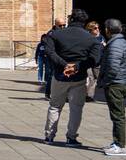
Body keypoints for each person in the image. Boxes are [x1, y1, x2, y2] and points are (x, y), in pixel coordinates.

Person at [42, 8, 102, 145]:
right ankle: (71, 137)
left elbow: (49, 52)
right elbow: (95, 59)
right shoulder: (91, 39)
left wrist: (64, 65)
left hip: (59, 76)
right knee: (76, 108)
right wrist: (77, 66)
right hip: (79, 77)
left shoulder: (56, 35)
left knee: (55, 106)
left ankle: (49, 136)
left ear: (70, 20)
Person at [97, 18, 126, 157]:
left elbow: (112, 66)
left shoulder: (115, 45)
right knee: (118, 115)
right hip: (122, 81)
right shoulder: (123, 42)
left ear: (108, 30)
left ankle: (120, 145)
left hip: (115, 84)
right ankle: (117, 142)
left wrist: (106, 80)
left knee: (117, 116)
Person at [84, 21, 103, 100]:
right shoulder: (86, 38)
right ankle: (86, 95)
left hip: (97, 62)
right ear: (90, 29)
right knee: (89, 78)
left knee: (95, 79)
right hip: (88, 61)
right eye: (95, 28)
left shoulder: (101, 37)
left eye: (98, 28)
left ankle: (89, 96)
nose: (97, 29)